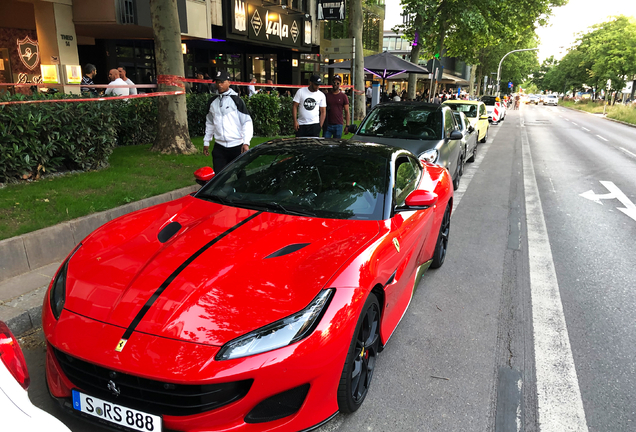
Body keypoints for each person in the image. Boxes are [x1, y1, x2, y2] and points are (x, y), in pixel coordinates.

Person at [203, 71, 253, 173]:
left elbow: (246, 122)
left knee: (241, 177)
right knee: (219, 179)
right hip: (219, 147)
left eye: (222, 82)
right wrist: (206, 141)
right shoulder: (212, 102)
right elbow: (210, 123)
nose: (219, 85)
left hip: (237, 146)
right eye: (217, 82)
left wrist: (246, 142)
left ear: (229, 82)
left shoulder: (237, 100)